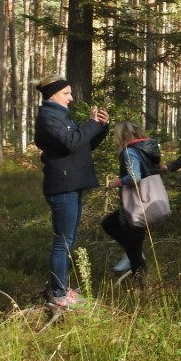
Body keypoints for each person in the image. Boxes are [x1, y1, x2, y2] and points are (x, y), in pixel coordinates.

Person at [33, 73, 109, 311]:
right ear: (52, 94)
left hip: (71, 184)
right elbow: (69, 142)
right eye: (66, 93)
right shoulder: (48, 117)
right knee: (62, 242)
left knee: (68, 240)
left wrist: (100, 128)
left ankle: (62, 289)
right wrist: (91, 124)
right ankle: (57, 293)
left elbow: (80, 146)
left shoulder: (60, 117)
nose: (71, 97)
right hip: (62, 186)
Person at [101, 122, 161, 283]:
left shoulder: (130, 151)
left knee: (134, 250)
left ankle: (141, 288)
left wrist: (117, 182)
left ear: (122, 135)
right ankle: (134, 252)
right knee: (108, 223)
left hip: (136, 205)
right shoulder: (148, 148)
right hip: (148, 201)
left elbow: (134, 177)